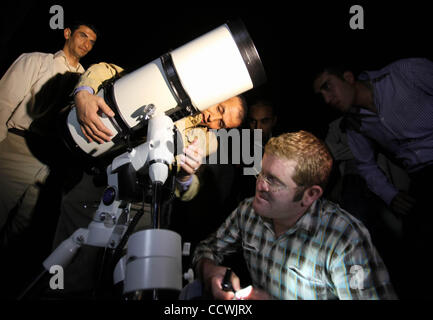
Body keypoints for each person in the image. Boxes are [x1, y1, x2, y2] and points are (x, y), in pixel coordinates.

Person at [47, 62, 248, 297]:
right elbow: (107, 70)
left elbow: (189, 191)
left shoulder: (207, 141)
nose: (213, 119)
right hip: (97, 187)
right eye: (220, 109)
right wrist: (84, 94)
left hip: (140, 208)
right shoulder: (171, 88)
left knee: (123, 284)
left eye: (221, 124)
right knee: (71, 273)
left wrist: (185, 175)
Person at [189, 130, 397, 300]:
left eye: (274, 181)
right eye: (261, 173)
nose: (260, 185)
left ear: (310, 195)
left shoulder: (344, 239)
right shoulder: (248, 212)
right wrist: (209, 271)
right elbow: (206, 248)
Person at [313, 58, 433, 298]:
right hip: (422, 176)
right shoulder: (355, 124)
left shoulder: (404, 74)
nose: (327, 99)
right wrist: (391, 195)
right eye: (321, 95)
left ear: (348, 77)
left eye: (328, 86)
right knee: (414, 255)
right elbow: (366, 165)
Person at [0, 22, 98, 257]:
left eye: (92, 41)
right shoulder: (37, 60)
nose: (86, 44)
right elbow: (3, 100)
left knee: (23, 230)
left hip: (51, 161)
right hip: (17, 145)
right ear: (67, 33)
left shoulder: (86, 82)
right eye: (82, 36)